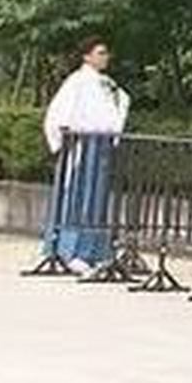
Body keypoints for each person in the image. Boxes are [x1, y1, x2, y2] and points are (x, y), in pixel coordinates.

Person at [39, 37, 130, 274]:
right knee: (79, 196)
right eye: (100, 53)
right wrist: (65, 135)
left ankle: (94, 250)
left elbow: (120, 104)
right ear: (87, 56)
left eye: (105, 53)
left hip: (101, 145)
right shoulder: (77, 82)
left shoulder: (107, 84)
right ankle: (70, 250)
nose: (105, 57)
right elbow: (59, 113)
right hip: (83, 145)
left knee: (96, 198)